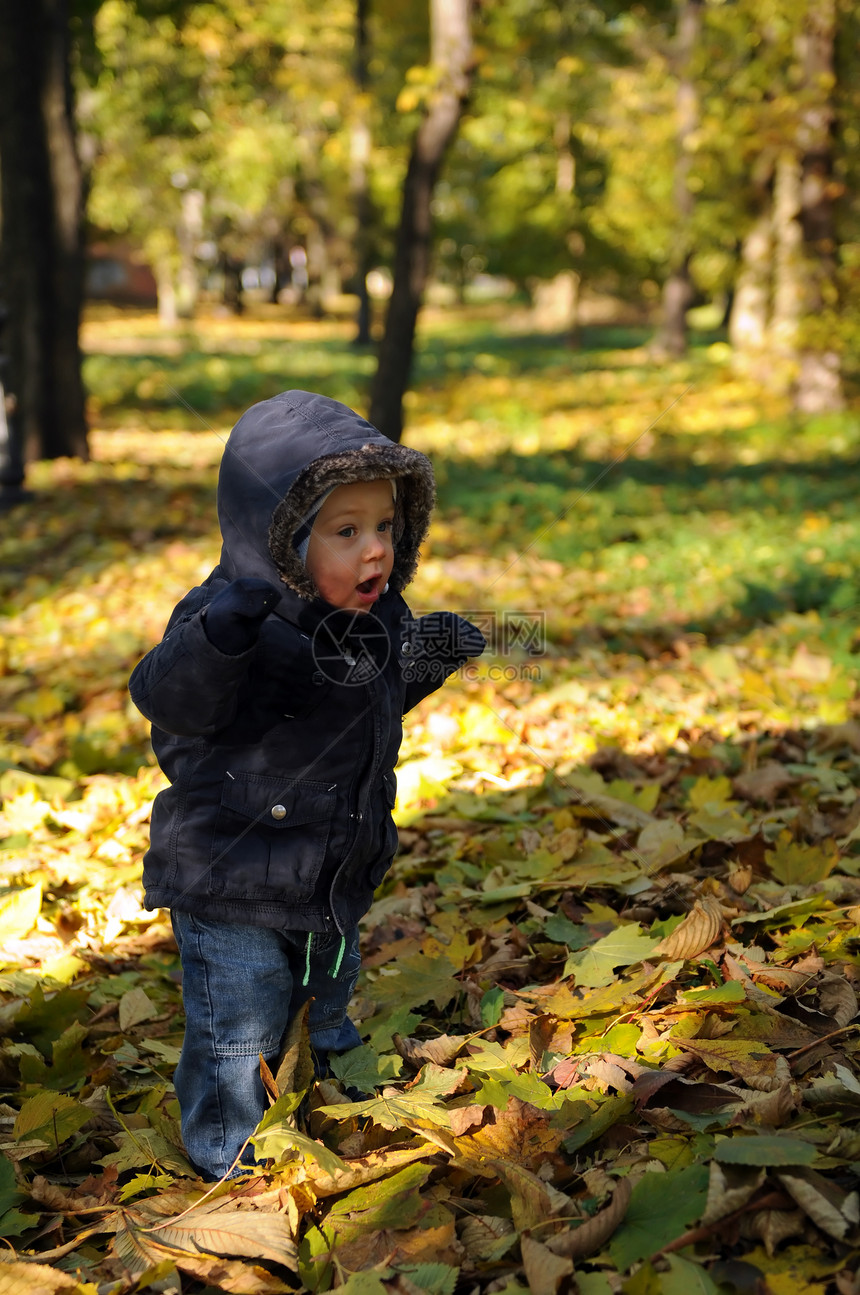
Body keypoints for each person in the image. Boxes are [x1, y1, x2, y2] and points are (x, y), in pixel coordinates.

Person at [129, 389, 485, 1180]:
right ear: (279, 539)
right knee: (244, 1014)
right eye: (346, 531)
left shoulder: (375, 617)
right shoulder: (225, 619)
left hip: (332, 867)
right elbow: (171, 701)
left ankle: (328, 1073)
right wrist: (221, 639)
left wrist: (427, 655)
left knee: (327, 987)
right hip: (231, 873)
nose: (376, 553)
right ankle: (234, 1150)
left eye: (387, 528)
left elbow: (371, 698)